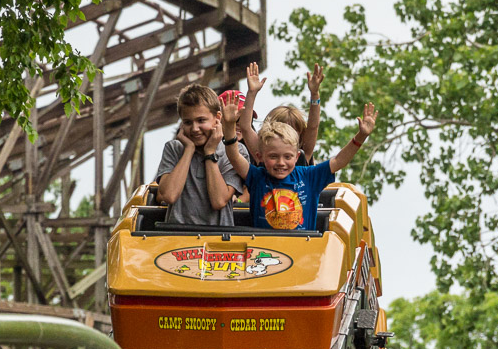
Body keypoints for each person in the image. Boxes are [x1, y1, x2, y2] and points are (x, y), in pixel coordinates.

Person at [220, 98, 377, 231]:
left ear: (297, 157)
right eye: (273, 157)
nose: (281, 163)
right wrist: (228, 126)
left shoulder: (308, 176)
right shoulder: (257, 176)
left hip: (302, 249)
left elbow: (339, 161)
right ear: (260, 156)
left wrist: (361, 136)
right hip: (263, 248)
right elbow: (234, 156)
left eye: (287, 157)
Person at [154, 84, 248, 226]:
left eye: (201, 120)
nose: (194, 129)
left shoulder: (235, 151)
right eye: (187, 122)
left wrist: (209, 153)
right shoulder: (173, 148)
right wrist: (188, 150)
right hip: (176, 238)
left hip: (219, 239)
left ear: (217, 118)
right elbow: (169, 195)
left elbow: (219, 201)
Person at [237, 62, 324, 167]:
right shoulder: (263, 154)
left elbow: (313, 127)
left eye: (292, 130)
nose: (285, 134)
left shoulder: (302, 156)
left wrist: (315, 95)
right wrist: (252, 92)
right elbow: (245, 127)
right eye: (280, 129)